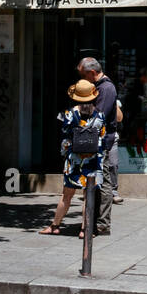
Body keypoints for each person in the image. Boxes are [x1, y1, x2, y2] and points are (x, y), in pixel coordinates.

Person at [39, 79, 109, 237]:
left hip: (74, 161)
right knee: (88, 196)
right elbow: (102, 139)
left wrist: (66, 154)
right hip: (93, 161)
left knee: (66, 195)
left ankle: (55, 225)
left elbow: (64, 139)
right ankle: (85, 230)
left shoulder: (68, 114)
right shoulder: (100, 115)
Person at [78, 57, 121, 235]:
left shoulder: (106, 88)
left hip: (102, 140)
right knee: (97, 181)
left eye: (83, 75)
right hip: (97, 140)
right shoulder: (101, 87)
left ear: (92, 72)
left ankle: (102, 224)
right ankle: (97, 222)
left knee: (103, 182)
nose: (82, 79)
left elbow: (99, 115)